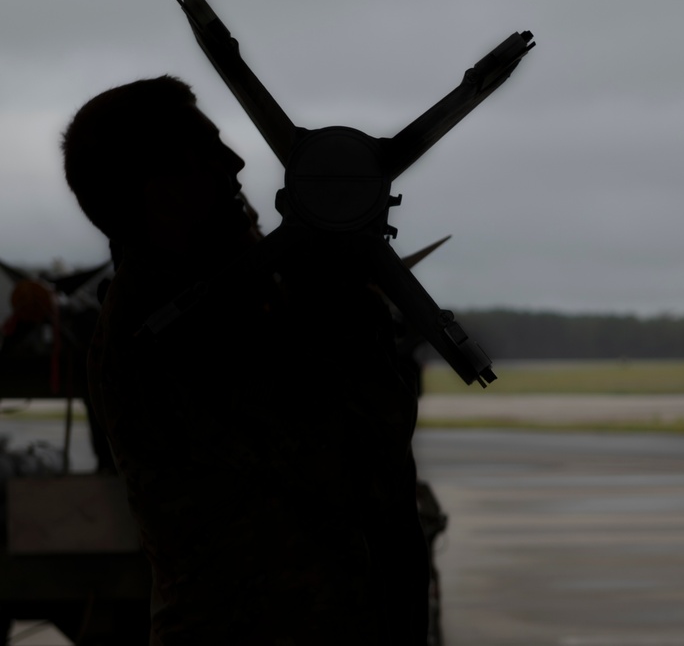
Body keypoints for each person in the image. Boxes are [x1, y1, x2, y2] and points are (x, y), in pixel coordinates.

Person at [62, 76, 428, 644]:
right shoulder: (174, 338)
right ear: (155, 190)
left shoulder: (231, 300)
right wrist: (343, 292)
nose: (235, 164)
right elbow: (359, 467)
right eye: (204, 153)